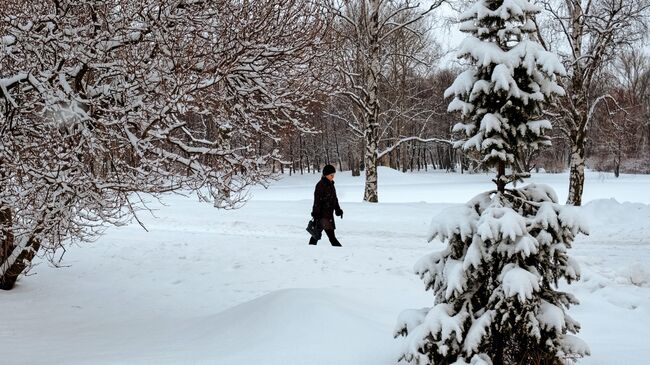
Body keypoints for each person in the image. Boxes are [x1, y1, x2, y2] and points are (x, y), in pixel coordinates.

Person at [309, 164, 343, 247]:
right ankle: (341, 252)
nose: (333, 177)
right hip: (322, 216)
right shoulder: (320, 185)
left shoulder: (331, 185)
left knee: (316, 235)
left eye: (333, 175)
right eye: (331, 175)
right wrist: (315, 214)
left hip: (328, 215)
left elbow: (335, 199)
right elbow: (317, 201)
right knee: (331, 237)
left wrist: (338, 210)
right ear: (326, 175)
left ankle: (309, 249)